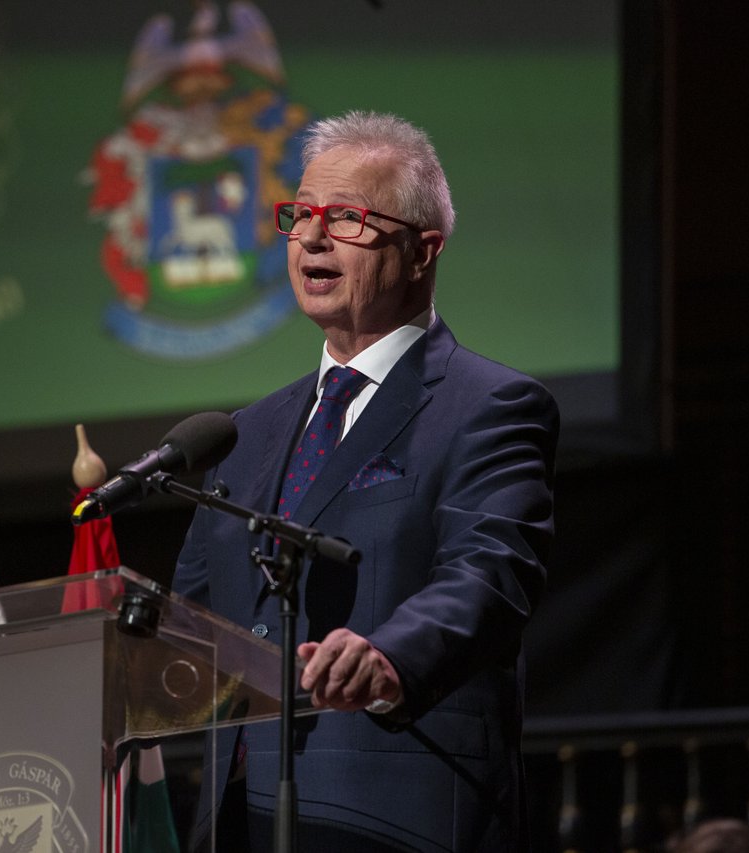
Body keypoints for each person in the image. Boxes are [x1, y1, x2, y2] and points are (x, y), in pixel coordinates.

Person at [171, 110, 558, 852]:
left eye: (345, 217)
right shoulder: (243, 435)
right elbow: (187, 624)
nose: (312, 237)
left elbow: (490, 572)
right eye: (301, 215)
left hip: (392, 817)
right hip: (235, 822)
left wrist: (388, 655)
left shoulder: (490, 406)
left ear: (422, 251)